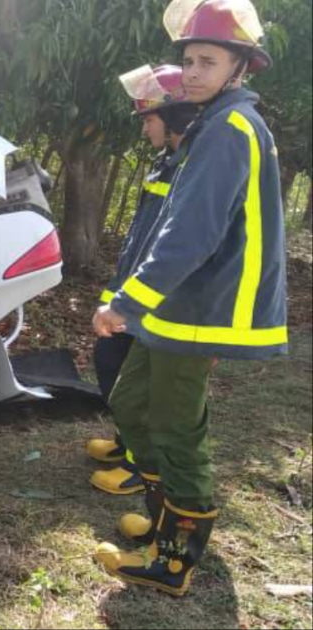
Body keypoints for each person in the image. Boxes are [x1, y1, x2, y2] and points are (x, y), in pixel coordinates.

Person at [94, 0, 287, 596]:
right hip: (179, 305)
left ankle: (173, 560)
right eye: (189, 59)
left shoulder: (229, 129)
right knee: (132, 402)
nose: (195, 71)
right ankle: (160, 523)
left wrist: (125, 303)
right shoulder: (212, 125)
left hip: (204, 306)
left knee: (177, 427)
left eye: (208, 60)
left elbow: (192, 233)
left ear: (240, 69)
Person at [88, 64, 199, 499]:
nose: (144, 129)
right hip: (133, 291)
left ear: (175, 118)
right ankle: (126, 442)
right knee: (112, 365)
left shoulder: (192, 170)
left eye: (149, 119)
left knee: (140, 385)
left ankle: (140, 465)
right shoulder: (165, 164)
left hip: (159, 303)